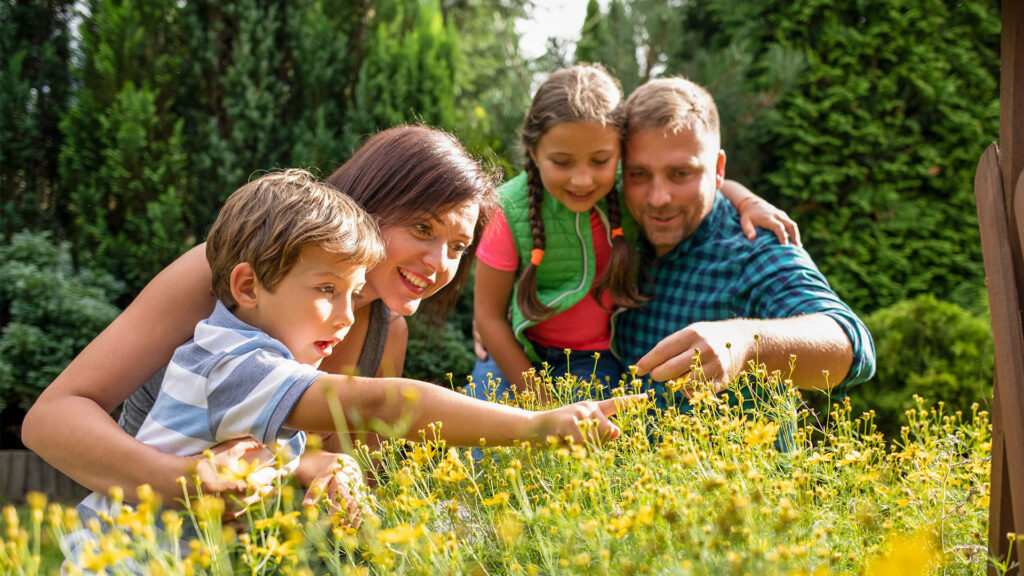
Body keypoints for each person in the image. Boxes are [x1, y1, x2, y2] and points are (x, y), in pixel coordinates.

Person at [64, 168, 638, 569]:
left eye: (355, 293)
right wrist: (538, 427)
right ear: (247, 285)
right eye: (327, 290)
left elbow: (263, 465)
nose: (345, 316)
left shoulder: (251, 353)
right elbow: (378, 403)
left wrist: (324, 466)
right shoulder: (242, 361)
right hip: (127, 563)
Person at [21, 126, 498, 506]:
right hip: (141, 542)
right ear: (371, 201)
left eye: (458, 247)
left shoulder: (386, 332)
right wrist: (186, 482)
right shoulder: (221, 269)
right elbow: (50, 419)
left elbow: (345, 476)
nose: (440, 263)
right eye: (422, 227)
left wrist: (339, 479)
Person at [468, 64, 799, 403]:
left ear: (619, 156)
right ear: (534, 154)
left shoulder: (631, 190)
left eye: (600, 161)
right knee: (479, 443)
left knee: (588, 445)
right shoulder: (510, 208)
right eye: (562, 162)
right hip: (516, 352)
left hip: (593, 360)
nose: (582, 180)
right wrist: (538, 401)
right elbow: (488, 318)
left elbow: (700, 177)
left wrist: (747, 200)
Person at [612, 77, 875, 412]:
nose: (658, 197)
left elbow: (852, 346)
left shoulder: (753, 246)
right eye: (639, 175)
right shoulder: (610, 231)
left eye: (681, 174)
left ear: (718, 169)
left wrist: (744, 343)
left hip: (734, 464)